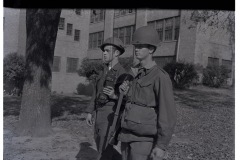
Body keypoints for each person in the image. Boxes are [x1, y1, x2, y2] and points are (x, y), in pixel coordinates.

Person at [119, 26, 177, 160]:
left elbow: (167, 114)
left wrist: (161, 145)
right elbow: (134, 102)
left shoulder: (160, 76)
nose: (136, 49)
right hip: (127, 134)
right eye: (135, 46)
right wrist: (124, 93)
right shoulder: (135, 73)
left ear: (151, 49)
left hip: (144, 140)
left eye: (140, 46)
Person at [85, 37, 126, 160]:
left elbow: (128, 99)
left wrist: (115, 96)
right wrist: (90, 111)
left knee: (105, 145)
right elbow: (96, 92)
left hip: (111, 115)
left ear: (117, 53)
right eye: (104, 50)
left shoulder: (122, 73)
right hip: (99, 113)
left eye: (108, 51)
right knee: (99, 140)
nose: (104, 53)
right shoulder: (103, 71)